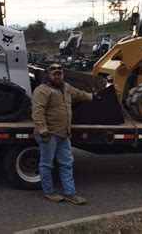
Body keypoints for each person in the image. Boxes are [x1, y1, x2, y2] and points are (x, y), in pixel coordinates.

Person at [31, 63, 94, 205]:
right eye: (54, 74)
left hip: (64, 134)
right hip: (49, 134)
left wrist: (92, 96)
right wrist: (43, 131)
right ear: (49, 75)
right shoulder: (42, 90)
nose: (57, 76)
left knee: (66, 163)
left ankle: (70, 193)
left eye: (59, 73)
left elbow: (79, 94)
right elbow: (37, 112)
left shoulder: (66, 88)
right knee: (47, 164)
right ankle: (49, 192)